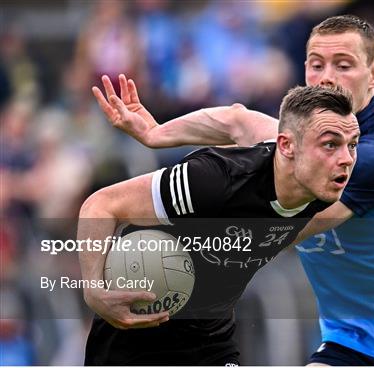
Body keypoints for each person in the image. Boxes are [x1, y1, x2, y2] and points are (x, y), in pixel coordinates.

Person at [97, 15, 374, 366]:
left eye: (343, 65)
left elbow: (287, 229)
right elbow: (237, 121)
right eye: (316, 65)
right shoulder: (306, 140)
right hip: (353, 343)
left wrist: (190, 239)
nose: (326, 78)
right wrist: (155, 134)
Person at [79, 84, 359, 365]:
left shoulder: (331, 183)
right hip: (133, 337)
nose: (346, 158)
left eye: (353, 144)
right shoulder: (213, 181)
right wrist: (93, 292)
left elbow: (237, 119)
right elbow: (101, 205)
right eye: (330, 144)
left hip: (211, 341)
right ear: (286, 146)